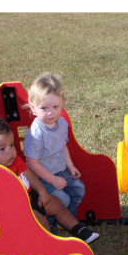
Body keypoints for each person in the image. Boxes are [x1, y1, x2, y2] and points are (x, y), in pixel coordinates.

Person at [0, 117, 99, 244]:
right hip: (13, 214)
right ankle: (51, 244)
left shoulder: (14, 161)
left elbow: (29, 175)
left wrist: (42, 191)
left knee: (55, 203)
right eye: (2, 148)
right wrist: (9, 216)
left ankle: (78, 229)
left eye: (12, 145)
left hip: (30, 199)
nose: (10, 152)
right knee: (39, 221)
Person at [23, 72, 85, 218]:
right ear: (33, 108)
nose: (50, 113)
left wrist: (70, 167)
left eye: (55, 106)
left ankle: (69, 219)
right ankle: (52, 225)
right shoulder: (36, 133)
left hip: (62, 170)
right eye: (44, 108)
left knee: (79, 189)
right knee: (62, 199)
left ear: (62, 104)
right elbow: (31, 163)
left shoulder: (62, 124)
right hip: (43, 178)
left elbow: (63, 146)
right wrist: (52, 180)